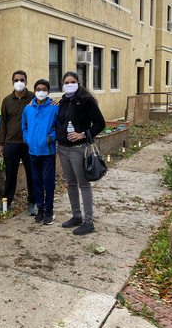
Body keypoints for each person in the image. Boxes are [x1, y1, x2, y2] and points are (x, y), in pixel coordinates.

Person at [56, 71, 105, 235]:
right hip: (63, 149)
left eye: (72, 81)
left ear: (78, 83)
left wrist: (83, 134)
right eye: (66, 82)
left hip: (79, 149)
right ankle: (76, 216)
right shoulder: (63, 102)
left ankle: (88, 222)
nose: (69, 84)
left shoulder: (86, 101)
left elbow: (100, 123)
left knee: (83, 184)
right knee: (71, 183)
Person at [0, 70, 37, 215]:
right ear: (12, 82)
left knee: (32, 174)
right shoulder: (7, 100)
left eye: (22, 80)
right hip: (11, 143)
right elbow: (3, 123)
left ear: (26, 81)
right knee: (10, 174)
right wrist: (1, 144)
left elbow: (47, 108)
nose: (19, 82)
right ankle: (6, 201)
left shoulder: (34, 97)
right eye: (16, 80)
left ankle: (33, 202)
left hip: (29, 143)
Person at [22, 79, 59, 225]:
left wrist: (51, 138)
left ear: (48, 92)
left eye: (44, 89)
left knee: (48, 181)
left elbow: (60, 125)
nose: (41, 91)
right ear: (34, 90)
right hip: (33, 151)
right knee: (36, 181)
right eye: (38, 89)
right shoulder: (28, 108)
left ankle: (49, 211)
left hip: (48, 151)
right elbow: (24, 126)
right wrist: (27, 139)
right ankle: (40, 209)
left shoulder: (54, 107)